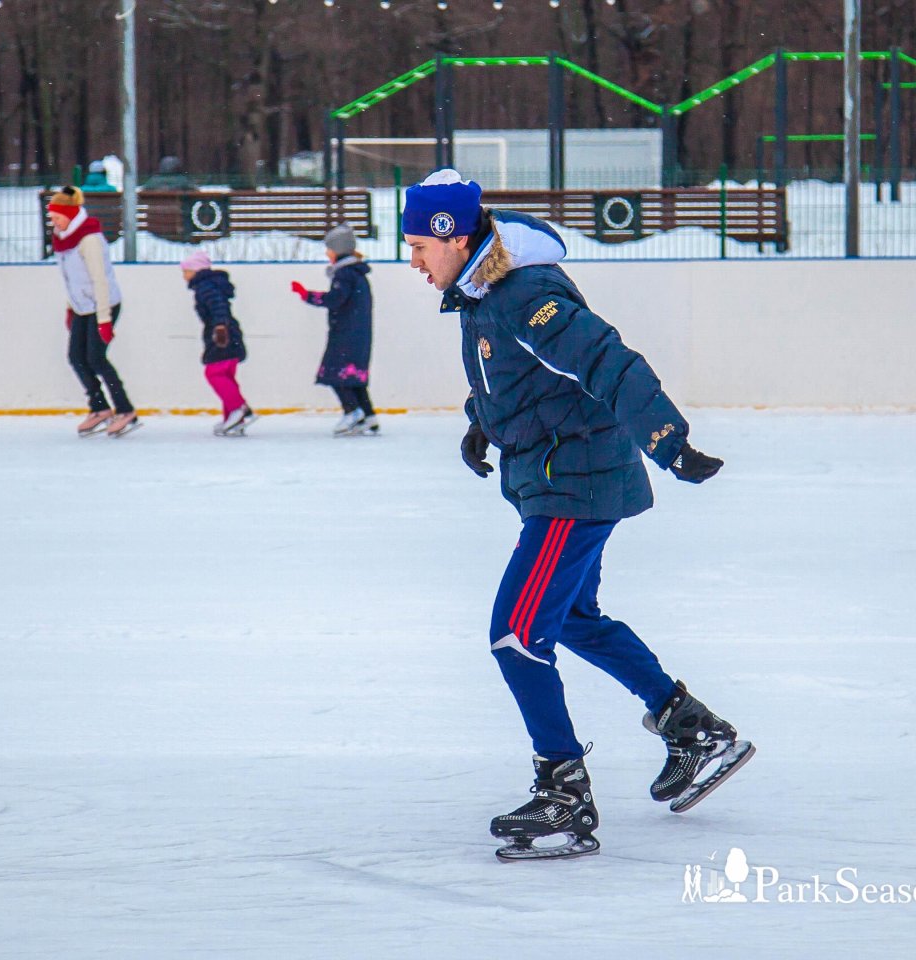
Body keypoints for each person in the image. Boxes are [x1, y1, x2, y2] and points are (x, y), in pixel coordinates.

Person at [400, 169, 754, 862]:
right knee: (570, 619)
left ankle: (563, 793)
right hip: (562, 476)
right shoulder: (480, 292)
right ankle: (694, 729)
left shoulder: (523, 293)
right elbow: (511, 376)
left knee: (516, 635)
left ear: (451, 235)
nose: (411, 260)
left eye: (417, 245)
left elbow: (605, 361)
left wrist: (667, 440)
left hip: (575, 483)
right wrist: (481, 422)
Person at [48, 187, 139, 438]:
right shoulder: (63, 238)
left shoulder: (88, 239)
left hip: (103, 304)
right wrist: (70, 307)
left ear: (69, 214)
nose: (53, 221)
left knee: (96, 358)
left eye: (56, 216)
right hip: (82, 307)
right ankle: (99, 407)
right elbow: (71, 279)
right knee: (76, 357)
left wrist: (104, 321)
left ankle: (125, 409)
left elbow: (99, 281)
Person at [291, 223, 377, 437]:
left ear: (338, 250)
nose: (326, 253)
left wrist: (307, 295)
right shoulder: (356, 273)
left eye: (329, 249)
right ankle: (368, 416)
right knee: (353, 377)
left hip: (345, 334)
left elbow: (336, 299)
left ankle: (352, 411)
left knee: (335, 374)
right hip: (357, 333)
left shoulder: (345, 274)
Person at [180, 250, 255, 436]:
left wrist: (220, 328)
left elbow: (218, 306)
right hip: (226, 332)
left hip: (222, 335)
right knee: (226, 375)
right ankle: (233, 417)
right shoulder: (209, 284)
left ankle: (239, 408)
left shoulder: (205, 287)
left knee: (214, 372)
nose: (184, 275)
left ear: (196, 270)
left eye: (186, 271)